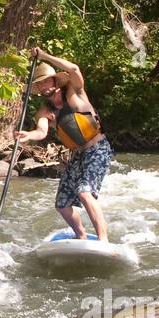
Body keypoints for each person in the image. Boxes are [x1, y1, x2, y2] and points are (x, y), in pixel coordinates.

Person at [15, 46, 114, 241]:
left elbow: (74, 69)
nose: (44, 86)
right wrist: (28, 135)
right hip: (77, 155)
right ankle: (82, 237)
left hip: (98, 149)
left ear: (54, 80)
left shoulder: (75, 92)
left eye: (46, 81)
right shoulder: (45, 110)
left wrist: (43, 56)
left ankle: (103, 241)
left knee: (85, 193)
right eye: (39, 84)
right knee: (62, 204)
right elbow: (42, 131)